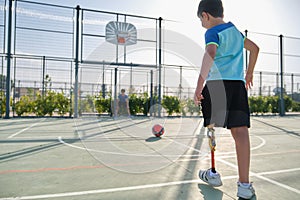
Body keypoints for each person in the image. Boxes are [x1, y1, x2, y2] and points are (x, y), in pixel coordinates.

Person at [194, 0, 259, 199]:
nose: (202, 24)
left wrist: (198, 85)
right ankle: (244, 185)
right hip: (237, 86)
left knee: (212, 127)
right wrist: (249, 73)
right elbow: (255, 49)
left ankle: (213, 172)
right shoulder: (237, 33)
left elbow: (210, 52)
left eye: (201, 20)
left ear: (206, 15)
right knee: (240, 132)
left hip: (216, 85)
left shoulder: (212, 32)